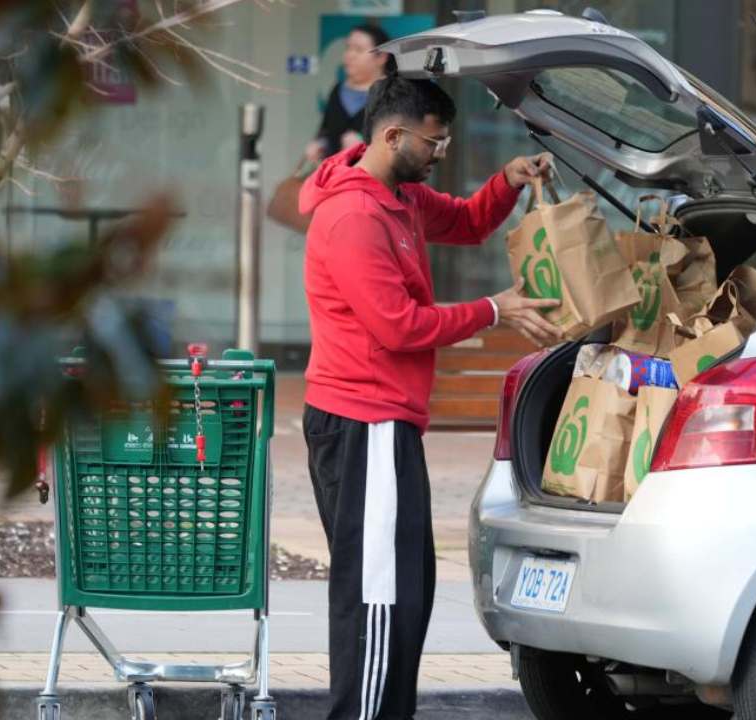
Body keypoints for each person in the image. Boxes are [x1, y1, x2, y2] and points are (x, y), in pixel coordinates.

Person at [297, 74, 562, 720]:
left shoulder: (400, 196)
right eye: (434, 142)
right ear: (393, 135)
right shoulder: (356, 216)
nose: (442, 153)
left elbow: (470, 224)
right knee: (379, 598)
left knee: (407, 589)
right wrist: (493, 311)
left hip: (384, 425)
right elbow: (398, 326)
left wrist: (507, 181)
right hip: (364, 424)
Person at [305, 24, 396, 164]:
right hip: (338, 178)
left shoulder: (394, 93)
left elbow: (399, 142)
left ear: (382, 57)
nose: (349, 55)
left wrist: (364, 145)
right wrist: (320, 144)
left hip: (376, 181)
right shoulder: (337, 89)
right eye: (348, 47)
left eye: (358, 49)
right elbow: (326, 130)